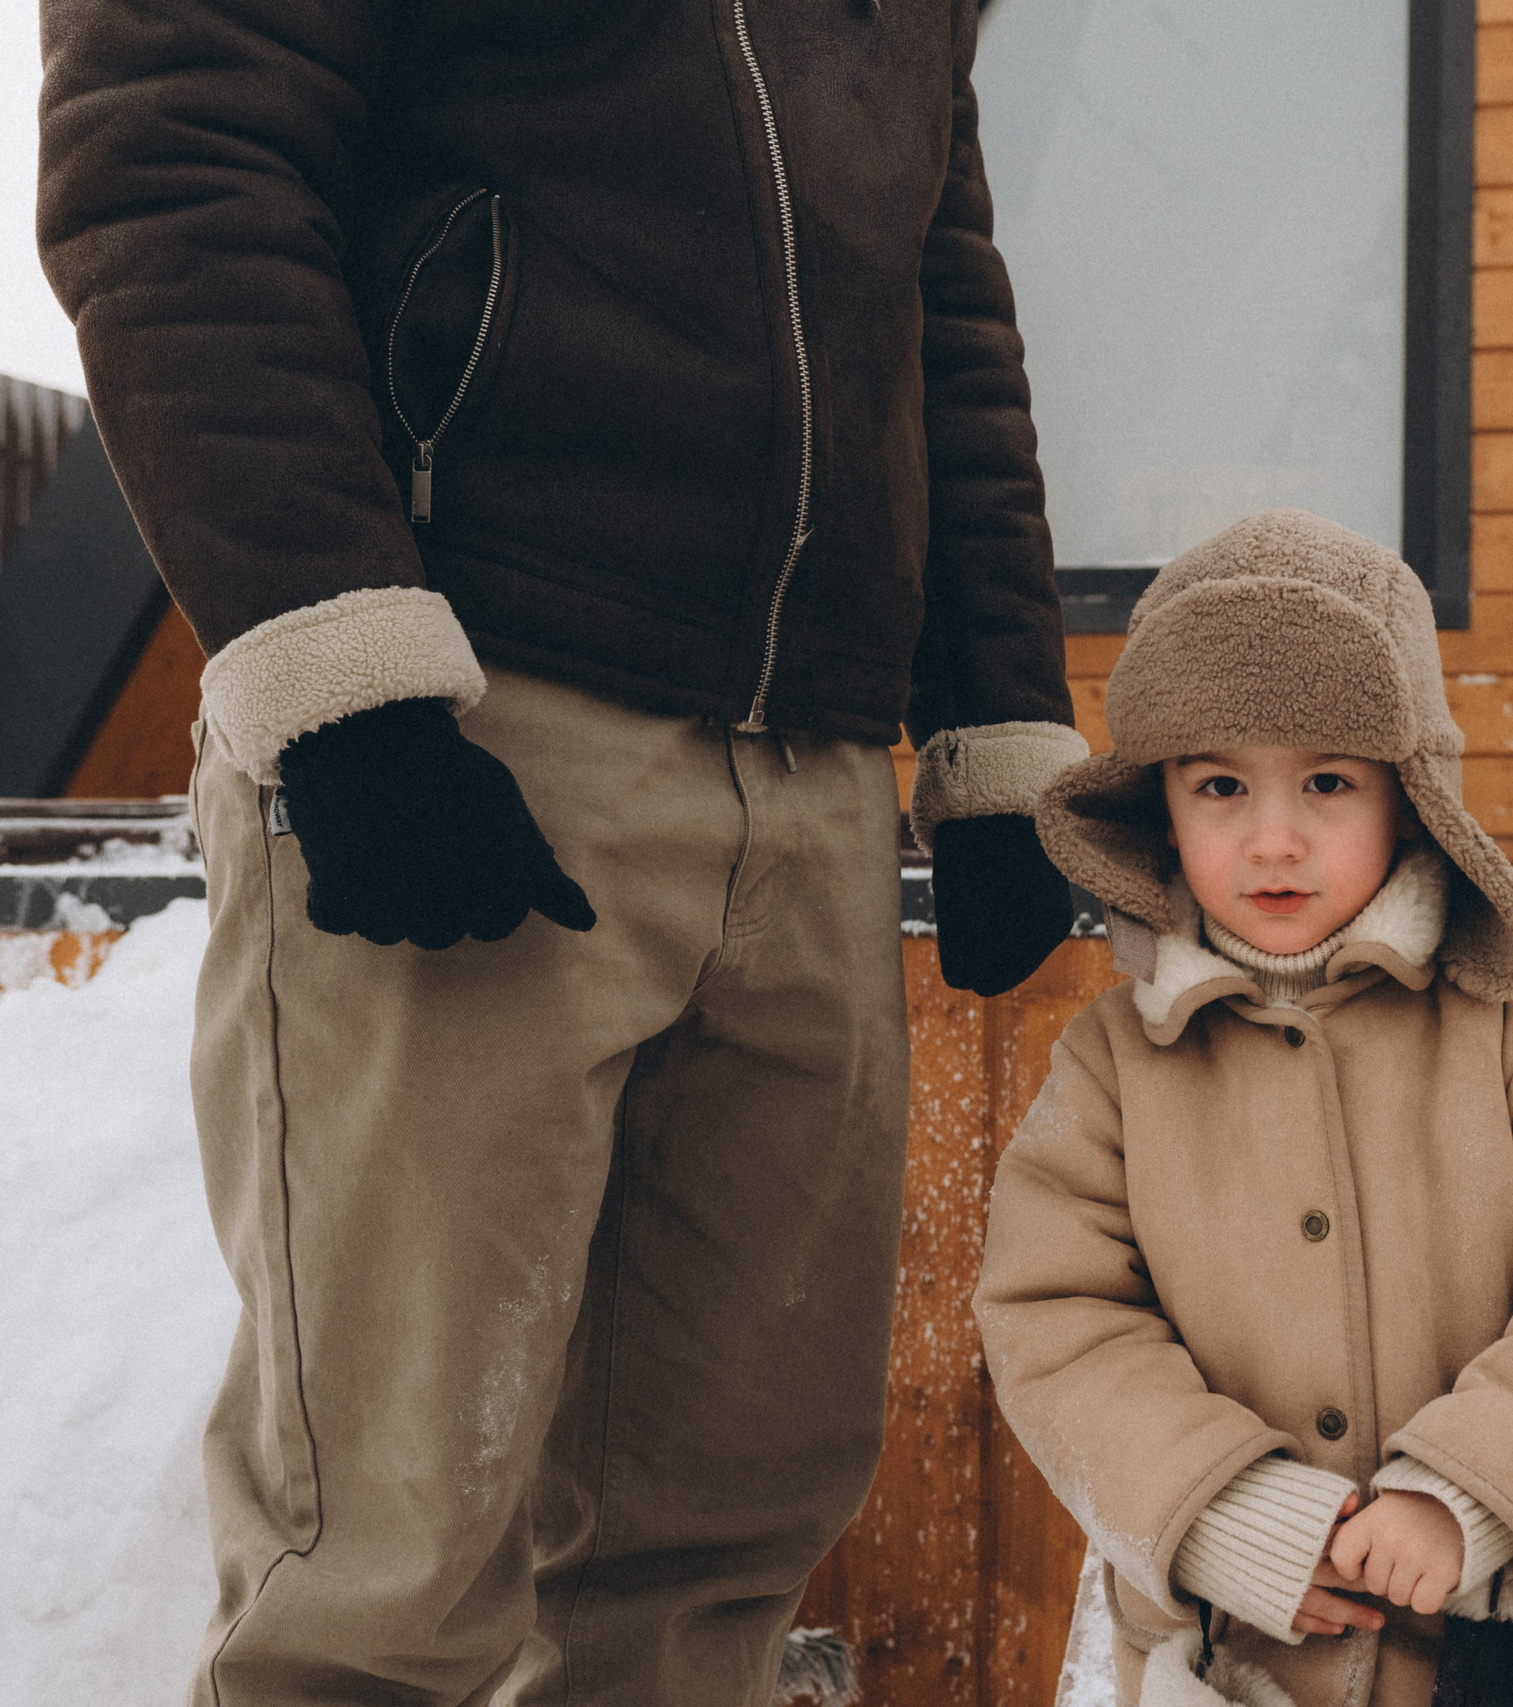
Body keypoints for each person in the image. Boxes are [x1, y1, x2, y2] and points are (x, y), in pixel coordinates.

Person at [36, 2, 1088, 1701]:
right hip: (479, 725)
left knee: (714, 1550)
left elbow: (936, 293)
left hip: (812, 779)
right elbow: (172, 148)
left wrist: (996, 715)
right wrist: (348, 676)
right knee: (380, 1565)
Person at [974, 510, 1513, 1707]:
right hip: (1241, 1651)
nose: (1274, 838)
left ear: (1411, 797)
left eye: (1327, 782)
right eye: (1220, 785)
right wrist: (1224, 1514)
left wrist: (1461, 1494)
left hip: (1508, 1649)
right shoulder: (1113, 1062)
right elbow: (1054, 1322)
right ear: (1161, 807)